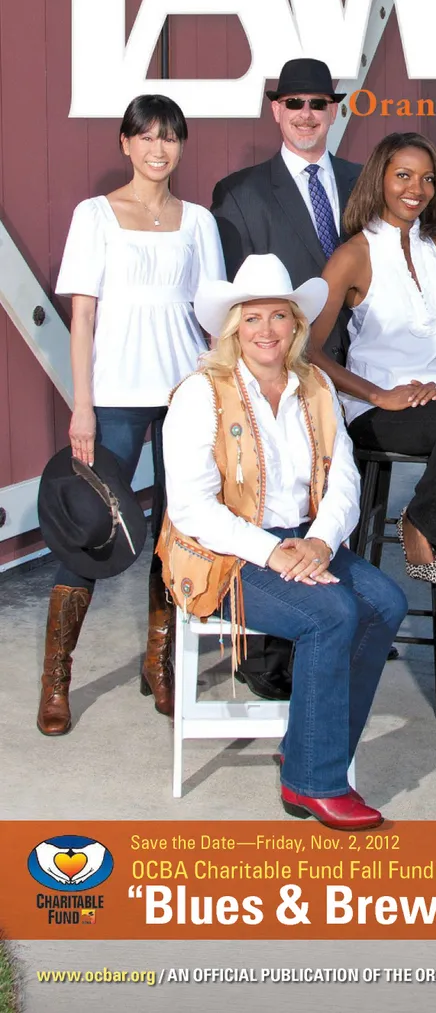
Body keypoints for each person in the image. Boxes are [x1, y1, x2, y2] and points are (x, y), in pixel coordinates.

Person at [160, 254, 406, 830]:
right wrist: (271, 551)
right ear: (233, 328)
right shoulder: (201, 394)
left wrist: (319, 543)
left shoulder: (315, 386)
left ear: (296, 325)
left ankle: (307, 745)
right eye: (252, 318)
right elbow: (192, 508)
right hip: (222, 552)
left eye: (278, 316)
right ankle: (312, 782)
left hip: (302, 538)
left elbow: (343, 479)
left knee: (387, 602)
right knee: (331, 614)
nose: (266, 330)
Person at [39, 95, 224, 737]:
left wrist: (219, 393)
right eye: (145, 136)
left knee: (177, 529)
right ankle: (56, 679)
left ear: (181, 145)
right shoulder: (94, 215)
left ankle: (159, 663)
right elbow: (82, 318)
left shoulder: (199, 222)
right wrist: (82, 406)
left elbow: (213, 318)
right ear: (125, 143)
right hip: (114, 394)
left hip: (185, 396)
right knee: (90, 528)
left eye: (169, 137)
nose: (157, 148)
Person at [211, 57, 362, 701]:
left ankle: (339, 630)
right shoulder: (239, 193)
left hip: (359, 374)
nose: (306, 114)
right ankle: (272, 657)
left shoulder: (363, 182)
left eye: (318, 103)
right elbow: (239, 304)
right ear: (276, 110)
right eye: (293, 103)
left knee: (340, 495)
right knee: (273, 495)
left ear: (334, 110)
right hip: (278, 373)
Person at [310, 132, 436, 589]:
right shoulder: (354, 254)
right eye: (403, 175)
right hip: (378, 412)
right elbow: (308, 349)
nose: (416, 189)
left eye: (427, 179)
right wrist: (379, 395)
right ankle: (422, 523)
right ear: (379, 179)